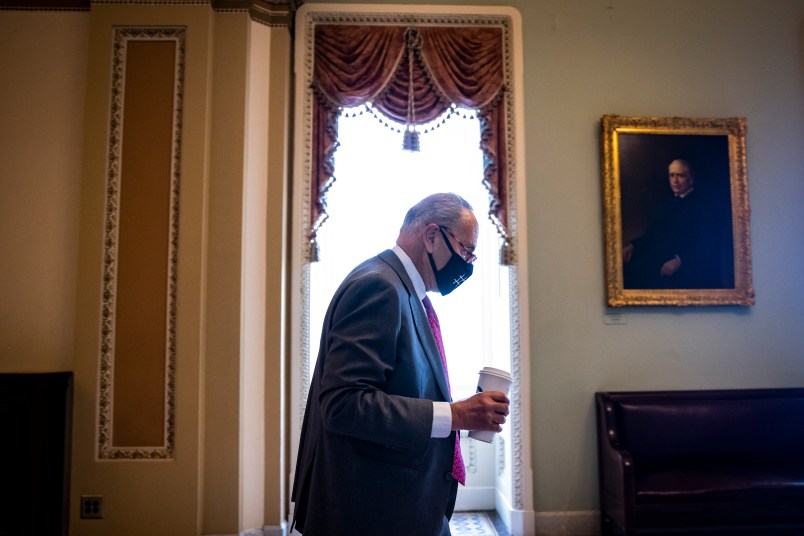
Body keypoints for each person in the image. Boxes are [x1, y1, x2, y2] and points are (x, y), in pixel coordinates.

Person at [290, 193, 511, 536]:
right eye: (466, 250)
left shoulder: (406, 290)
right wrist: (456, 415)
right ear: (432, 236)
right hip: (372, 510)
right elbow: (343, 404)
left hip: (404, 502)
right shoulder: (379, 286)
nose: (467, 264)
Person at [622, 159, 721, 289]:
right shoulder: (665, 205)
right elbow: (650, 236)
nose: (675, 180)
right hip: (657, 260)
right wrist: (632, 246)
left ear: (691, 179)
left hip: (685, 268)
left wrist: (680, 261)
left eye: (680, 175)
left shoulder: (704, 208)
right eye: (672, 175)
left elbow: (707, 246)